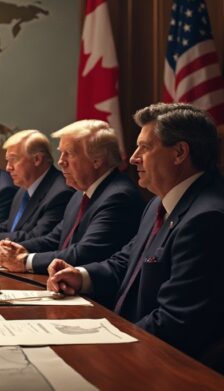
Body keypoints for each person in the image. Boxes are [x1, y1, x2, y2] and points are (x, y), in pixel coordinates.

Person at [48, 103, 224, 364]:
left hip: (167, 366)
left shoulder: (207, 218)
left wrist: (107, 343)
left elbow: (176, 321)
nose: (132, 158)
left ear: (179, 152)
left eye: (145, 147)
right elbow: (126, 262)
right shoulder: (158, 202)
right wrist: (81, 276)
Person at [0, 120, 144, 273]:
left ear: (97, 160)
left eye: (68, 154)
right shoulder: (80, 193)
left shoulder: (118, 197)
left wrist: (24, 261)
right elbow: (54, 239)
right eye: (61, 153)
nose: (61, 161)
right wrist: (18, 249)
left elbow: (86, 253)